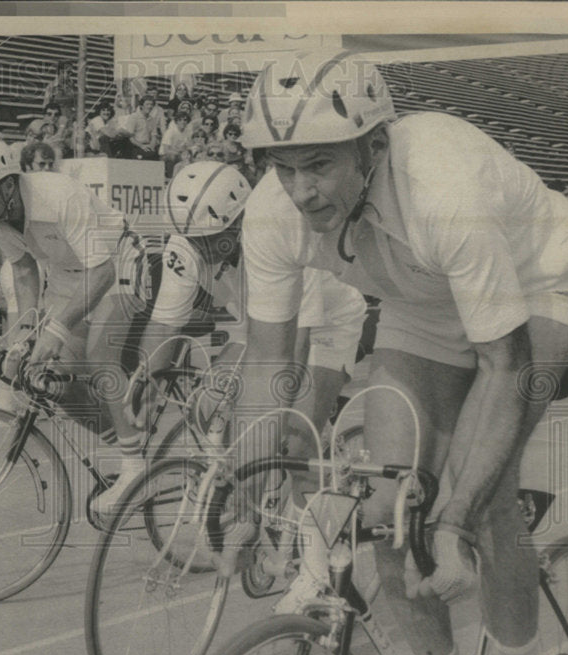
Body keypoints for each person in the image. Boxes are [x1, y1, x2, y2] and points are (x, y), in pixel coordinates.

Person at [232, 50, 568, 655]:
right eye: (283, 168)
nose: (301, 191)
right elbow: (268, 366)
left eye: (318, 164)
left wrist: (453, 522)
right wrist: (245, 495)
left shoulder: (441, 189)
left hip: (536, 284)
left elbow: (503, 366)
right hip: (421, 305)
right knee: (384, 513)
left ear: (372, 145)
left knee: (482, 500)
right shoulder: (270, 213)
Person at [90, 160, 367, 519]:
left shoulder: (280, 229)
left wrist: (272, 431)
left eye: (210, 242)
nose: (202, 253)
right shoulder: (188, 244)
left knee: (296, 445)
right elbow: (163, 328)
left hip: (327, 323)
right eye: (195, 243)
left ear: (238, 222)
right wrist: (146, 384)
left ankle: (315, 553)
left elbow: (293, 350)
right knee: (206, 402)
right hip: (260, 320)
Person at [0, 134, 144, 449]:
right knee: (48, 379)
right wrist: (23, 332)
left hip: (117, 262)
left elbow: (102, 271)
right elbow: (24, 269)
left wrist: (57, 330)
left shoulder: (58, 194)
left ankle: (135, 462)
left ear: (8, 186)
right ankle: (120, 443)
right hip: (67, 273)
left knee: (99, 355)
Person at [118, 95, 161, 160]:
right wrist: (141, 146)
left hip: (147, 146)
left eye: (151, 104)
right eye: (147, 104)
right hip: (136, 146)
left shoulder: (152, 119)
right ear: (141, 106)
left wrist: (152, 147)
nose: (149, 106)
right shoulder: (134, 117)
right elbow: (130, 136)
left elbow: (154, 135)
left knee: (156, 154)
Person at [159, 111, 194, 177]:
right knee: (173, 157)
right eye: (180, 120)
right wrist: (180, 153)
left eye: (185, 120)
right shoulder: (170, 132)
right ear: (176, 122)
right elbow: (166, 150)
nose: (182, 122)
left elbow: (188, 147)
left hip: (180, 155)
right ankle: (171, 178)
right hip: (165, 156)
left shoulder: (187, 133)